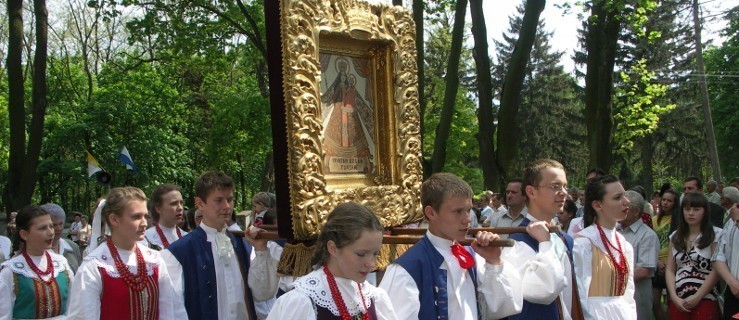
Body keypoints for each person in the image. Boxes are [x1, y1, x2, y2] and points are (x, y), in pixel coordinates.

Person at [379, 172, 524, 319]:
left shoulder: (473, 255)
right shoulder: (407, 270)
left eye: (468, 210)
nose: (467, 219)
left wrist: (494, 262)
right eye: (458, 211)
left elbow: (502, 308)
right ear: (431, 213)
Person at [161, 171, 279, 320]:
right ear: (200, 203)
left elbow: (263, 294)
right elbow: (173, 310)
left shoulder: (242, 244)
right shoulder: (178, 253)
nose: (226, 206)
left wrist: (261, 250)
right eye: (219, 200)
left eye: (230, 199)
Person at [67, 187, 182, 319]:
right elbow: (84, 316)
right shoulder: (95, 267)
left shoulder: (154, 260)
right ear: (114, 219)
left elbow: (170, 310)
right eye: (136, 217)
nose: (144, 223)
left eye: (145, 216)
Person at [267, 202, 397, 319]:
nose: (371, 263)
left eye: (375, 253)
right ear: (333, 248)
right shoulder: (304, 301)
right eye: (361, 254)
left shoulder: (373, 297)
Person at [506, 159, 579, 320]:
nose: (564, 193)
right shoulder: (517, 241)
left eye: (565, 186)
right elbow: (543, 291)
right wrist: (545, 244)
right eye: (555, 187)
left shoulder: (564, 239)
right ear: (531, 192)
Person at [573, 175, 637, 319]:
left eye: (625, 195)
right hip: (595, 314)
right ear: (597, 205)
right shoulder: (585, 243)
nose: (626, 202)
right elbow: (579, 292)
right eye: (617, 197)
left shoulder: (624, 245)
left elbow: (629, 293)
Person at [0, 205, 74, 319]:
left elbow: (74, 307)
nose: (51, 232)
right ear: (24, 234)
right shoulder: (11, 271)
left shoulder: (61, 264)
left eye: (51, 226)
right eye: (43, 228)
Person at [666, 192, 721, 319]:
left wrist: (698, 296)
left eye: (696, 209)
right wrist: (674, 297)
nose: (691, 213)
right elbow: (670, 269)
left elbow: (716, 269)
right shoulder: (675, 236)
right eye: (687, 209)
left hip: (706, 298)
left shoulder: (716, 234)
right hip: (679, 299)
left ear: (705, 212)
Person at [621, 190, 659, 320]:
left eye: (624, 207)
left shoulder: (647, 235)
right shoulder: (615, 230)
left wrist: (614, 280)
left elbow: (644, 270)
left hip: (637, 296)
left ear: (636, 211)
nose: (619, 209)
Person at [653, 189, 678, 320]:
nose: (665, 203)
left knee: (671, 302)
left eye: (669, 201)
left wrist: (670, 264)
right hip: (657, 265)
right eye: (664, 199)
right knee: (655, 302)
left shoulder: (678, 220)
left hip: (673, 266)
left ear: (675, 203)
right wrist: (656, 262)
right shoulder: (654, 220)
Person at [714, 194, 739, 319]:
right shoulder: (731, 221)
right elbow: (718, 255)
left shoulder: (736, 218)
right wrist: (732, 282)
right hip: (733, 291)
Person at [144, 183, 187, 250]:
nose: (180, 208)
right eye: (173, 204)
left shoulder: (187, 237)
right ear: (158, 208)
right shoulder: (147, 238)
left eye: (181, 203)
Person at [42, 203, 83, 273]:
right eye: (53, 225)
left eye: (61, 224)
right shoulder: (37, 250)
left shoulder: (73, 247)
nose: (59, 228)